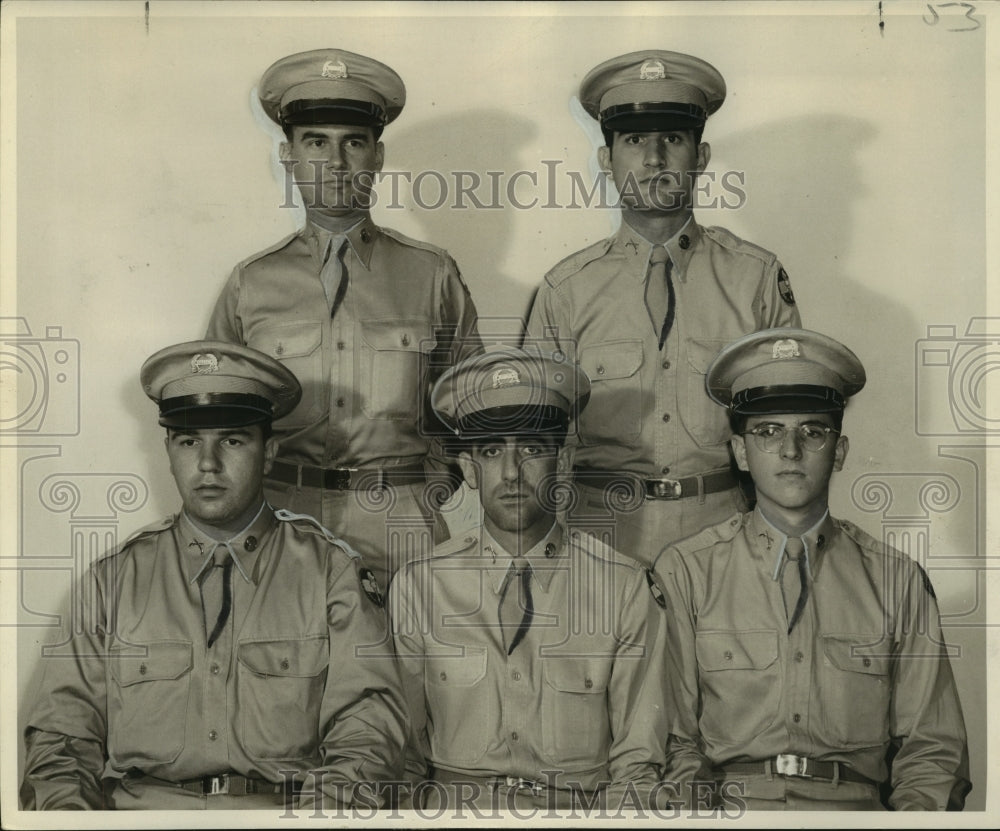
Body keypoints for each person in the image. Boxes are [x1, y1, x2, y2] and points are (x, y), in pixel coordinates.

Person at [20, 341, 409, 810]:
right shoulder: (113, 581)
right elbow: (60, 745)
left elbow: (368, 737)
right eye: (188, 441)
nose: (207, 463)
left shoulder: (332, 573)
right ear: (167, 450)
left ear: (269, 453)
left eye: (232, 440)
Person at [655, 327, 971, 811]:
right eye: (768, 431)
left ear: (839, 451)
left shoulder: (896, 580)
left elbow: (933, 752)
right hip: (731, 810)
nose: (790, 450)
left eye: (813, 431)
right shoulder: (688, 571)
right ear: (740, 452)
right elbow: (673, 742)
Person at [205, 49, 483, 588]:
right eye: (316, 142)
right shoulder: (251, 283)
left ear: (378, 157)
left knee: (409, 668)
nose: (336, 162)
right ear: (288, 156)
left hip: (401, 522)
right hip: (282, 518)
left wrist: (434, 487)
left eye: (353, 143)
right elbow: (221, 418)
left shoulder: (431, 275)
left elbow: (467, 404)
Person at [525, 50, 801, 566]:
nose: (654, 160)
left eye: (672, 139)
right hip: (598, 538)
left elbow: (785, 431)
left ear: (701, 156)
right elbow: (536, 445)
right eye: (634, 141)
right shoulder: (565, 291)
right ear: (606, 160)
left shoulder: (754, 279)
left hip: (723, 538)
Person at [389, 346, 670, 813]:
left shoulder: (622, 587)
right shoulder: (419, 586)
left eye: (533, 449)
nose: (512, 472)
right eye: (492, 451)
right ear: (468, 468)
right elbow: (403, 760)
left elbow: (637, 765)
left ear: (563, 461)